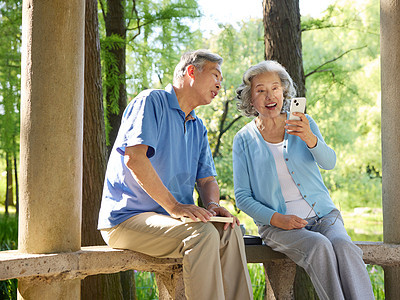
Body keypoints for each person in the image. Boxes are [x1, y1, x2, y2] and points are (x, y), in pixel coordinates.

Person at [98, 49, 253, 300]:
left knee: (230, 230)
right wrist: (174, 206)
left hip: (172, 221)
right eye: (215, 75)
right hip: (126, 219)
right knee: (200, 234)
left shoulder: (198, 126)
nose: (220, 84)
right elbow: (134, 159)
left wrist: (213, 205)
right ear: (191, 71)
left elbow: (206, 180)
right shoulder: (151, 101)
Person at [233, 60, 374, 300]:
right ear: (251, 99)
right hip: (277, 227)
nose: (270, 95)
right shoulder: (243, 139)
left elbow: (329, 162)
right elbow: (243, 198)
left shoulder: (304, 124)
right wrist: (279, 219)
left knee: (344, 247)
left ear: (284, 91)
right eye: (261, 90)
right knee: (319, 247)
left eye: (275, 88)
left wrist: (310, 138)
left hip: (324, 217)